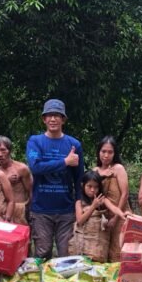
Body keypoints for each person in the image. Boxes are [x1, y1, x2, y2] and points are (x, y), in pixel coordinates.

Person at [26, 99, 84, 259]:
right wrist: (65, 162)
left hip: (66, 210)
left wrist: (78, 204)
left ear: (63, 119)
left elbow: (79, 178)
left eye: (57, 115)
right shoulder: (35, 141)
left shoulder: (74, 144)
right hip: (41, 210)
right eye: (49, 115)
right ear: (44, 119)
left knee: (67, 255)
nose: (53, 119)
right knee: (42, 254)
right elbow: (35, 167)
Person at [69, 170, 127, 262]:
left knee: (98, 263)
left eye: (96, 187)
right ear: (83, 185)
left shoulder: (102, 200)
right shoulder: (79, 202)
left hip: (98, 244)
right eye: (89, 186)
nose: (92, 190)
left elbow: (113, 208)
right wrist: (93, 206)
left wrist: (122, 214)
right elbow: (80, 221)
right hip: (83, 242)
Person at [94, 136, 131, 262]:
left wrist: (115, 218)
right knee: (102, 253)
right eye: (103, 151)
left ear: (114, 154)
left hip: (120, 216)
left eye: (110, 152)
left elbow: (125, 194)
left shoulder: (118, 168)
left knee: (119, 252)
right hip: (102, 219)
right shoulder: (95, 171)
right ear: (98, 152)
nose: (106, 155)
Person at [0, 135, 32, 225]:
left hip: (21, 212)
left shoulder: (21, 168)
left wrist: (31, 212)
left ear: (10, 151)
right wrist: (6, 180)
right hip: (3, 212)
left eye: (3, 150)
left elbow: (31, 191)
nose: (0, 154)